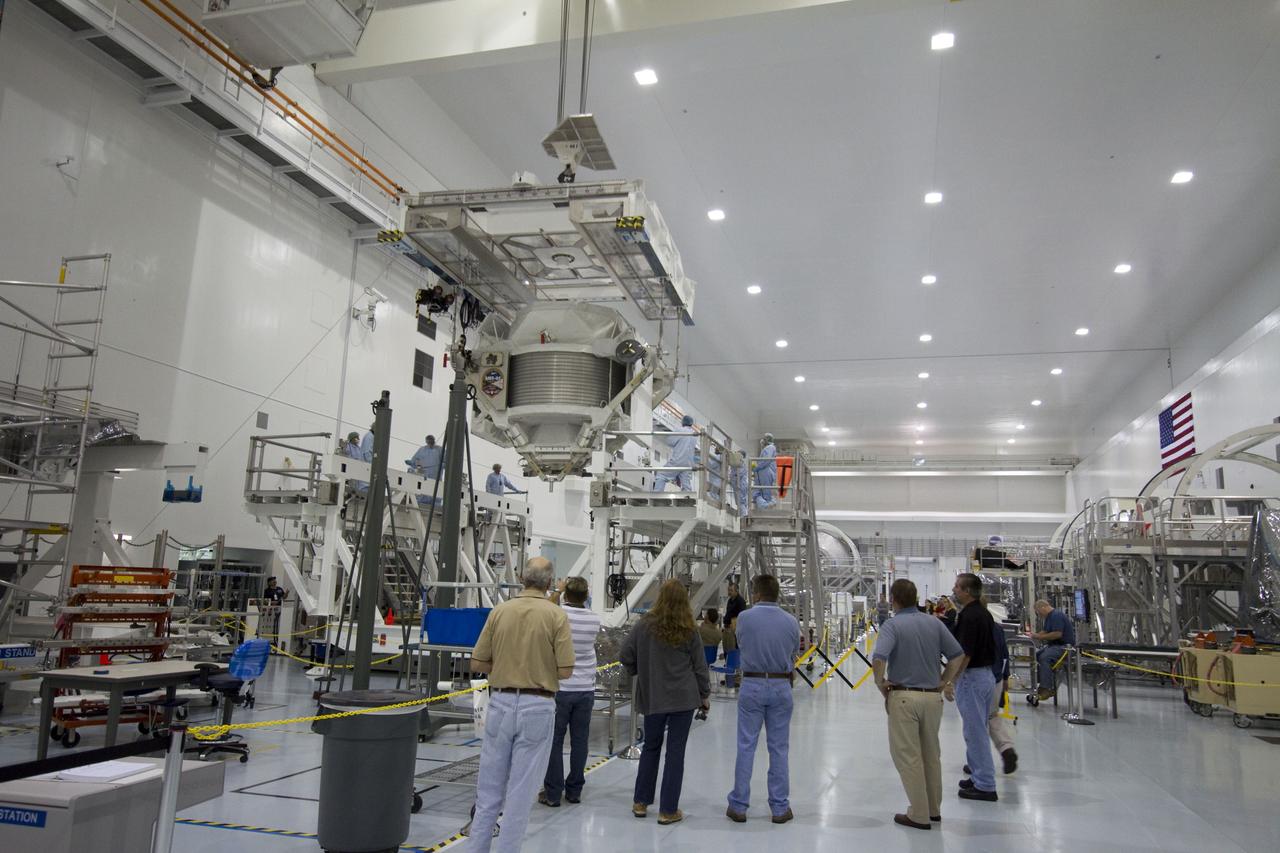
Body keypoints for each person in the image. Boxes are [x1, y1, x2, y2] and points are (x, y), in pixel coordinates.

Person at [466, 557, 574, 853]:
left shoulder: (500, 611)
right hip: (537, 707)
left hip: (499, 702)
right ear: (550, 583)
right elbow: (565, 671)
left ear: (521, 577)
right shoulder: (556, 616)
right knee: (520, 796)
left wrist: (507, 663)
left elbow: (476, 662)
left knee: (488, 795)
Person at [873, 578, 966, 830]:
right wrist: (943, 681)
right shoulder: (933, 623)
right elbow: (957, 655)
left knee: (908, 756)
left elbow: (879, 658)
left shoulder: (892, 625)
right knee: (930, 754)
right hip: (932, 698)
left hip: (904, 697)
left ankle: (919, 813)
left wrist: (881, 684)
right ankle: (934, 809)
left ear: (894, 600)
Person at [620, 579, 711, 825]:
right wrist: (705, 695)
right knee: (675, 753)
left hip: (653, 697)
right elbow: (700, 667)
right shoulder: (689, 629)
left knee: (650, 747)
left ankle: (641, 802)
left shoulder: (644, 625)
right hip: (683, 699)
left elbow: (624, 654)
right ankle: (668, 810)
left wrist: (640, 671)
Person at [726, 574, 803, 824]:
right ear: (777, 593)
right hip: (781, 685)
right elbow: (795, 652)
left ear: (757, 594)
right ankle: (780, 807)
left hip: (753, 683)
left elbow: (741, 643)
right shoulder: (791, 622)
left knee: (746, 745)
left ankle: (738, 805)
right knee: (779, 748)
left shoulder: (745, 618)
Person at [540, 576, 602, 808]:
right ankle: (575, 790)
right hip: (585, 688)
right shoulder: (594, 620)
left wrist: (558, 589)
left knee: (555, 741)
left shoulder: (559, 615)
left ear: (566, 594)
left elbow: (545, 607)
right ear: (586, 596)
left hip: (561, 687)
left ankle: (553, 793)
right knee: (580, 740)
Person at [951, 573, 999, 802]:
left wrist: (951, 680)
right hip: (985, 675)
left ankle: (986, 785)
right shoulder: (982, 613)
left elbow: (966, 653)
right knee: (975, 729)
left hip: (972, 677)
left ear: (967, 591)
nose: (954, 590)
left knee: (975, 731)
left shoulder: (971, 616)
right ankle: (977, 773)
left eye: (957, 587)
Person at [985, 618, 1018, 774]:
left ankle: (977, 761)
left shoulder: (971, 625)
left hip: (979, 678)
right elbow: (1005, 653)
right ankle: (1006, 748)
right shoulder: (997, 628)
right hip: (997, 677)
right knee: (992, 716)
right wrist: (1005, 676)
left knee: (976, 722)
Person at [1031, 598, 1076, 701]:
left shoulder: (1056, 616)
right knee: (1036, 655)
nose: (1039, 615)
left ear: (1043, 607)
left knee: (1044, 658)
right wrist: (1034, 635)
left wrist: (1039, 637)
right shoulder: (1049, 617)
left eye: (1038, 612)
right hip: (1054, 646)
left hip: (1064, 647)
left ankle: (1047, 687)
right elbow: (1045, 631)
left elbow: (1057, 634)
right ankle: (1042, 684)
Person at [652, 415, 698, 492]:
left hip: (678, 460)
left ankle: (657, 494)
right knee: (686, 483)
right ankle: (687, 498)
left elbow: (670, 441)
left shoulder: (681, 430)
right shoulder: (694, 435)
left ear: (683, 422)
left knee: (661, 475)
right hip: (688, 463)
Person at [408, 434, 444, 506]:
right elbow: (415, 461)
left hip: (435, 478)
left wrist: (442, 464)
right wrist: (413, 464)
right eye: (428, 441)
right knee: (423, 489)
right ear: (426, 441)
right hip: (423, 477)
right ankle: (420, 500)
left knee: (434, 491)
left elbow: (448, 461)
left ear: (434, 440)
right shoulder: (422, 450)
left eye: (431, 441)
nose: (430, 443)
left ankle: (435, 503)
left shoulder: (440, 450)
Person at [753, 433, 778, 508]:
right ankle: (766, 505)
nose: (762, 441)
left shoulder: (770, 447)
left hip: (766, 473)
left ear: (767, 440)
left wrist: (757, 467)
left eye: (764, 439)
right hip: (764, 473)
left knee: (766, 493)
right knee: (758, 493)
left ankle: (768, 505)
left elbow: (766, 460)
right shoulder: (768, 448)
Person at [729, 449, 749, 517]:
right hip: (739, 485)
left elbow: (737, 474)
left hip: (740, 485)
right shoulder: (739, 463)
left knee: (740, 501)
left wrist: (732, 477)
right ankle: (743, 514)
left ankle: (744, 515)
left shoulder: (740, 464)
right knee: (740, 501)